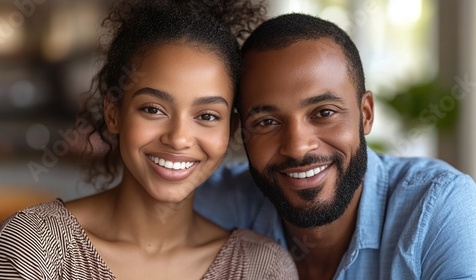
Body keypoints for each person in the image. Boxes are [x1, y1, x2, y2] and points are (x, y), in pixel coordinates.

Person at [0, 1, 298, 279]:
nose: (178, 138)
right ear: (114, 113)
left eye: (206, 116)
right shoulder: (37, 246)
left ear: (229, 129)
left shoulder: (263, 268)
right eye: (153, 109)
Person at [195, 13, 476, 279]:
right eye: (267, 122)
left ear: (365, 114)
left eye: (324, 113)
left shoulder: (439, 208)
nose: (297, 147)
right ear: (241, 130)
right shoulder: (210, 204)